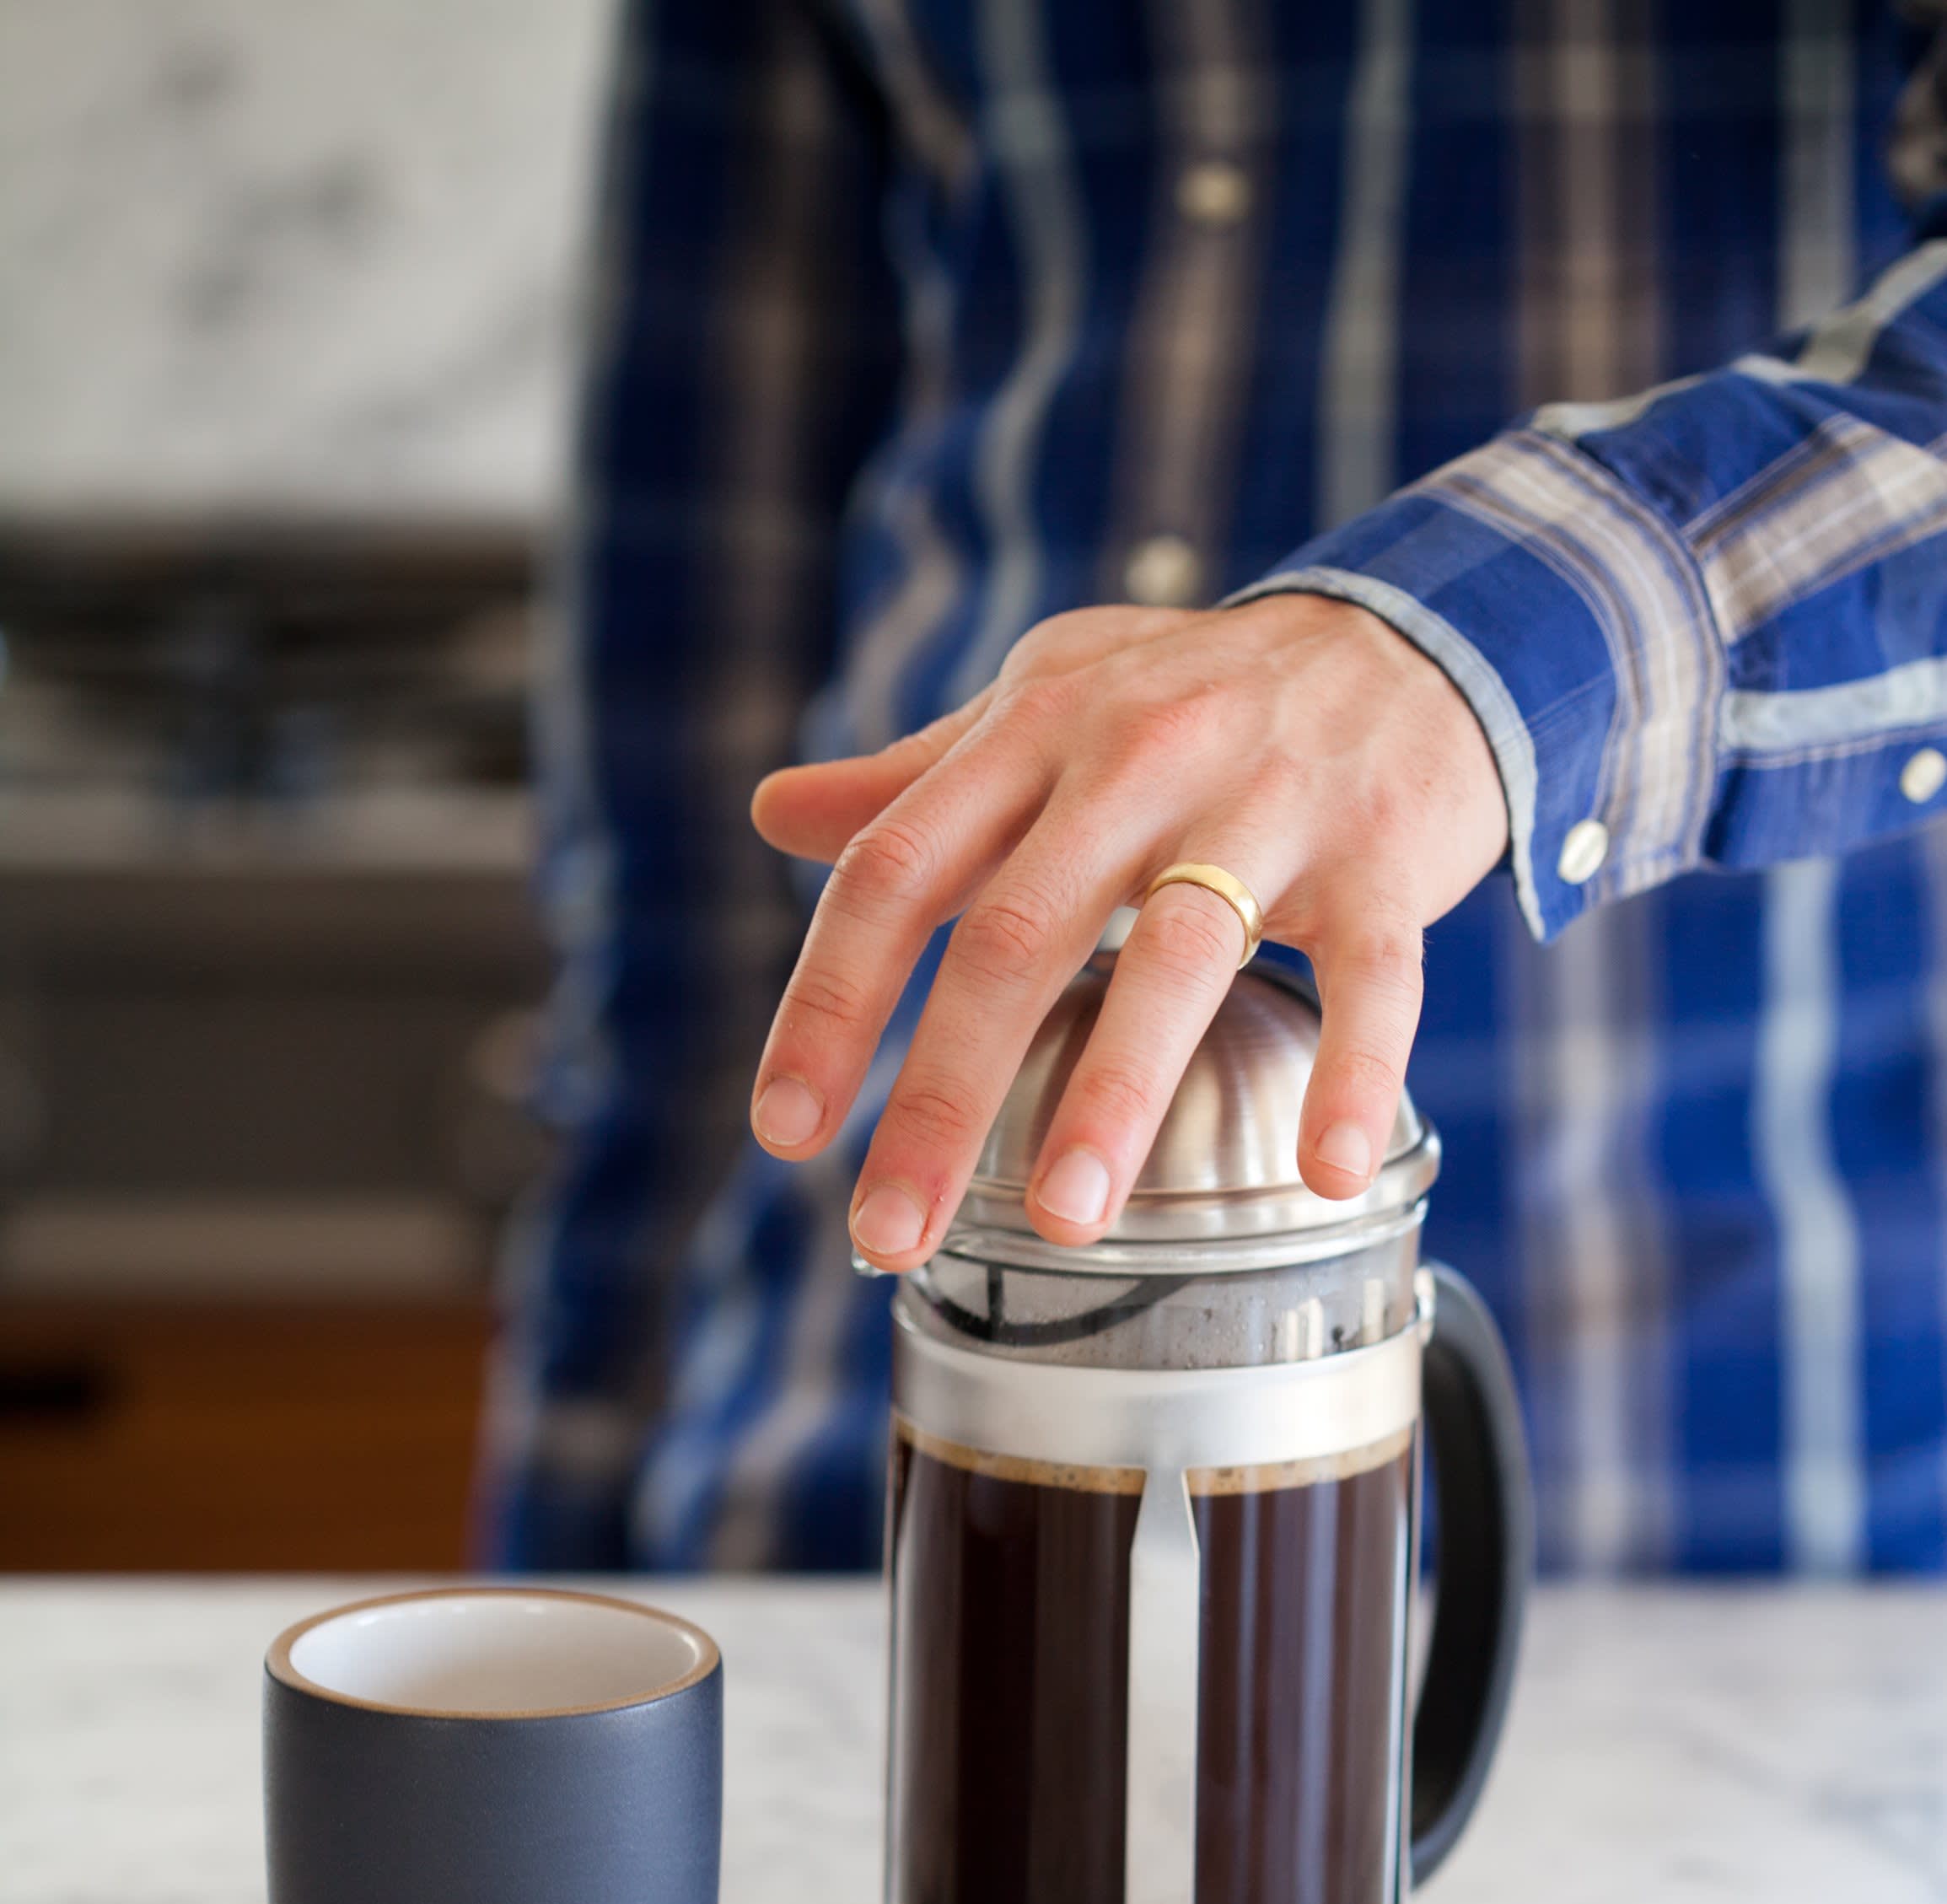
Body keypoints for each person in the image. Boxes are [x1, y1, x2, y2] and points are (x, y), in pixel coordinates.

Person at [481, 0, 1947, 1579]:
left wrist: (1486, 649)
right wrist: (568, 1542)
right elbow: (696, 708)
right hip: (859, 1449)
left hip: (1713, 1503)